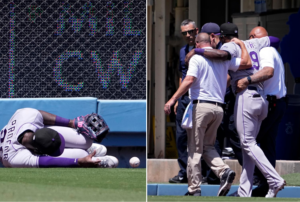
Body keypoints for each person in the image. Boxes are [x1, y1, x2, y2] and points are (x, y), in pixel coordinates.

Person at [188, 23, 285, 198]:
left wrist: (198, 51)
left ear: (219, 37)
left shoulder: (229, 45)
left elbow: (225, 55)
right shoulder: (253, 43)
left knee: (247, 143)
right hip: (261, 98)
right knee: (248, 146)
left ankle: (274, 179)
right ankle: (244, 191)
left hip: (246, 95)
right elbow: (275, 39)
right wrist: (243, 43)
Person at [164, 32, 252, 196]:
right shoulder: (223, 59)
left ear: (197, 44)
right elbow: (247, 64)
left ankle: (194, 189)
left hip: (201, 107)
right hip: (218, 108)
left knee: (194, 149)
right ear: (210, 43)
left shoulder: (197, 58)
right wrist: (241, 44)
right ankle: (224, 171)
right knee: (207, 146)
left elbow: (189, 80)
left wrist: (172, 99)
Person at [235, 26, 287, 197]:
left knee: (248, 143)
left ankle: (269, 181)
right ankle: (264, 186)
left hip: (269, 103)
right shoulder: (274, 51)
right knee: (265, 145)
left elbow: (268, 71)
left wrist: (247, 79)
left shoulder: (264, 51)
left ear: (253, 38)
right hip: (277, 103)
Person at [0, 108, 118, 168]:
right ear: (38, 151)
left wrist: (72, 123)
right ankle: (87, 156)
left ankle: (89, 149)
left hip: (32, 132)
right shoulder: (15, 158)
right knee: (81, 155)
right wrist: (80, 162)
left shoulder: (26, 115)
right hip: (19, 151)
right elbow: (47, 161)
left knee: (86, 141)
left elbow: (39, 114)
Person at [169, 19, 198, 184]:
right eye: (184, 33)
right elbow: (183, 75)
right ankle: (183, 172)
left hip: (201, 98)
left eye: (191, 32)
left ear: (197, 30)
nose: (188, 35)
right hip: (185, 99)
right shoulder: (182, 51)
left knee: (203, 139)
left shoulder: (207, 49)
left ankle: (208, 174)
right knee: (181, 137)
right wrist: (178, 98)